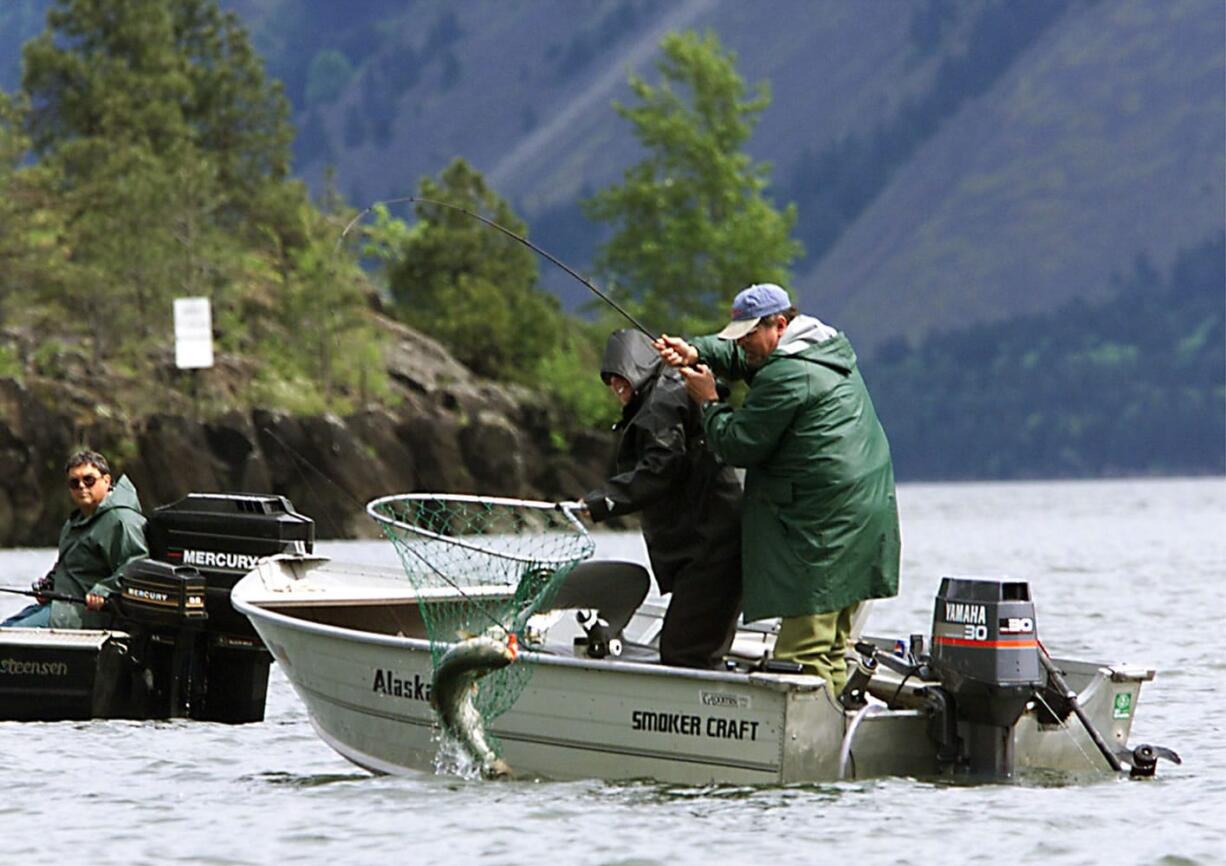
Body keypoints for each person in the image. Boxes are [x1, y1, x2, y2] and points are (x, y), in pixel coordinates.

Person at [654, 283, 900, 694]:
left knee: (802, 658)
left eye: (750, 335)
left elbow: (738, 444)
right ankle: (838, 740)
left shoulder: (788, 376)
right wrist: (695, 351)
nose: (744, 345)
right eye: (740, 336)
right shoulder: (821, 351)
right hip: (863, 520)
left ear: (780, 324)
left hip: (825, 534)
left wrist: (709, 401)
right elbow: (744, 358)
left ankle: (810, 752)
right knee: (833, 649)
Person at [580, 329, 743, 669]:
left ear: (638, 367)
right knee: (693, 645)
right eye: (610, 380)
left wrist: (603, 502)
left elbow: (661, 467)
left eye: (621, 377)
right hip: (712, 540)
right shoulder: (673, 389)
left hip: (709, 545)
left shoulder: (659, 405)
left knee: (685, 652)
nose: (616, 387)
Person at [1, 450, 149, 629]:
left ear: (107, 481)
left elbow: (136, 566)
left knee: (13, 634)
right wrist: (49, 585)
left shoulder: (121, 520)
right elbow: (69, 566)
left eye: (89, 480)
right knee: (7, 629)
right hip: (59, 607)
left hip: (91, 615)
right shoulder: (75, 521)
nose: (82, 487)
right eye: (74, 482)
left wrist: (103, 591)